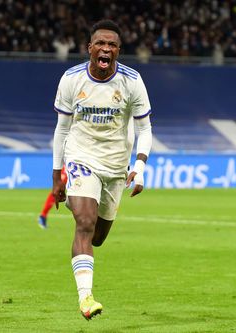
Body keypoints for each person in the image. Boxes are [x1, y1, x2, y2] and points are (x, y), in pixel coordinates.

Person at [51, 19, 152, 320]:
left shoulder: (132, 82)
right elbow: (61, 129)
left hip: (116, 166)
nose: (105, 49)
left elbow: (144, 128)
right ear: (90, 48)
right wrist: (57, 175)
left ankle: (87, 230)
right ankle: (86, 299)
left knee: (97, 236)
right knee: (84, 221)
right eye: (100, 43)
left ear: (118, 51)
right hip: (81, 157)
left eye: (111, 45)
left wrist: (140, 166)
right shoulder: (71, 79)